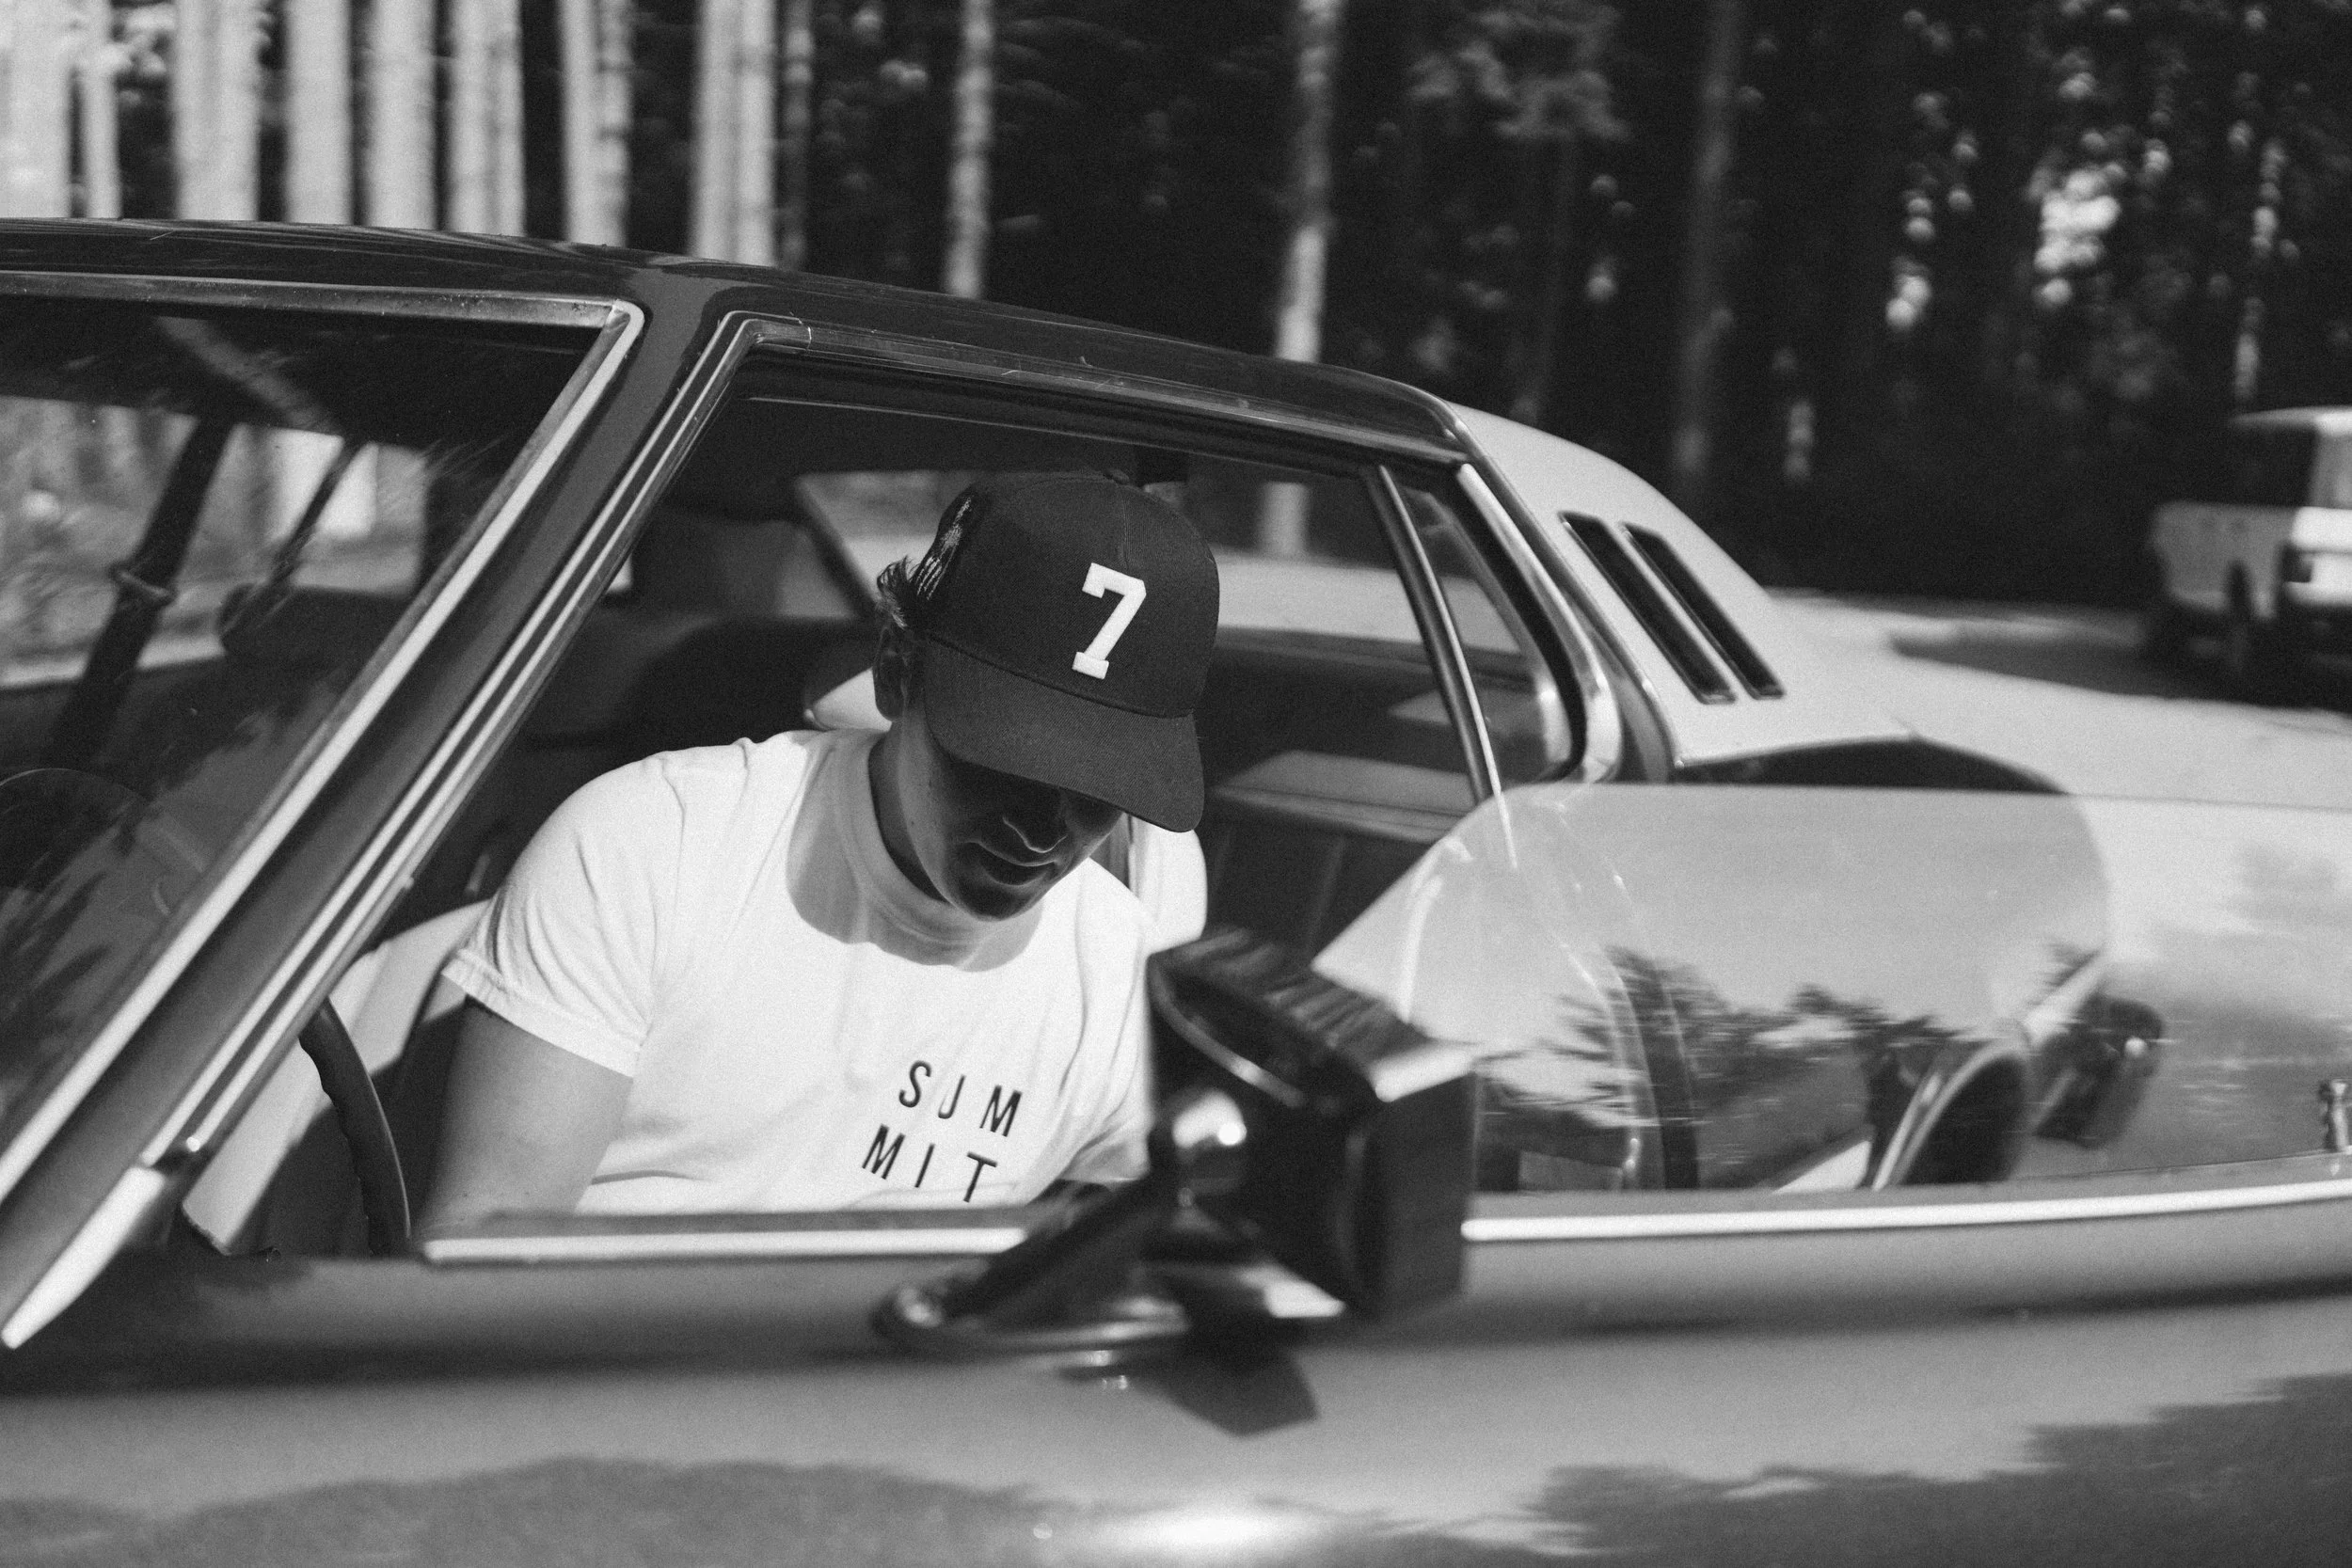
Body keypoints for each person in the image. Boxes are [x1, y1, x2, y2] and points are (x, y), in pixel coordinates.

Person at [420, 471, 1220, 1226]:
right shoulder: (648, 850)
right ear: (895, 667)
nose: (1044, 828)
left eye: (1098, 788)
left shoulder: (1118, 972)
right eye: (1003, 760)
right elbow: (479, 1267)